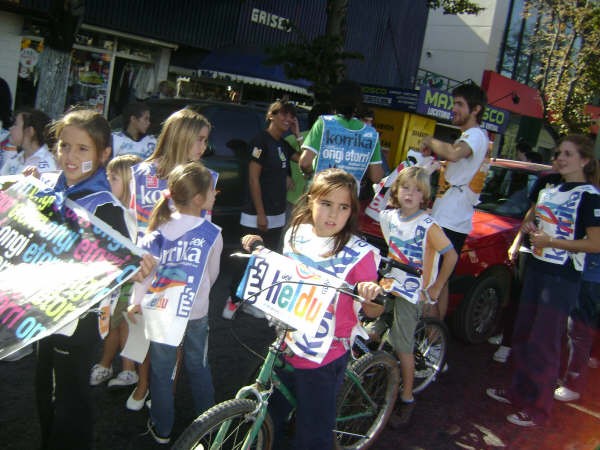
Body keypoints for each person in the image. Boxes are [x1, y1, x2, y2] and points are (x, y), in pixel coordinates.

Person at [34, 109, 154, 449]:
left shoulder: (104, 207)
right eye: (63, 146)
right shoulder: (52, 191)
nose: (69, 156)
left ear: (104, 155)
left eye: (82, 149)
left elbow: (122, 264)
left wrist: (136, 264)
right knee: (46, 390)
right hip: (44, 311)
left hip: (77, 321)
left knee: (70, 401)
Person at [241, 168, 384, 450]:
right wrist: (258, 250)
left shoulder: (359, 255)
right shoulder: (296, 234)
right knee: (272, 410)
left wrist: (370, 295)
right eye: (326, 204)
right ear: (310, 202)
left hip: (325, 354)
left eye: (343, 207)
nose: (333, 215)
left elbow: (374, 312)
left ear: (351, 211)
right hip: (288, 341)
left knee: (313, 433)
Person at [486, 134, 600, 427]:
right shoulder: (549, 184)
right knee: (523, 333)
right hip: (536, 266)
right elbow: (534, 213)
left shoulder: (589, 195)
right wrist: (527, 227)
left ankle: (537, 408)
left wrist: (553, 242)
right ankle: (517, 392)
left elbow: (595, 243)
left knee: (545, 342)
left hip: (562, 276)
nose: (560, 158)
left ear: (584, 160)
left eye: (568, 154)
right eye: (558, 152)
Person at [127, 107, 214, 411]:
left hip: (179, 273)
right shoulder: (141, 172)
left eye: (206, 141)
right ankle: (142, 384)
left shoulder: (205, 178)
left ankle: (164, 395)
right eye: (199, 140)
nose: (204, 148)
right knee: (142, 331)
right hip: (146, 266)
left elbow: (203, 232)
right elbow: (134, 220)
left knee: (171, 337)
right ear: (181, 137)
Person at [128, 161, 221, 445]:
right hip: (196, 312)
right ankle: (211, 424)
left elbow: (143, 275)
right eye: (212, 190)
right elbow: (213, 274)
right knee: (198, 366)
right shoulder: (212, 232)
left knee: (162, 371)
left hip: (161, 313)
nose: (216, 194)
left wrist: (135, 302)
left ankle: (162, 427)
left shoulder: (157, 231)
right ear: (198, 199)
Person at [368, 166, 457, 426]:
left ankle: (406, 396)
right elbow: (376, 207)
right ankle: (376, 367)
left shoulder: (428, 225)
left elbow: (451, 255)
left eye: (417, 190)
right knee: (372, 325)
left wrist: (437, 287)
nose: (410, 193)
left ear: (424, 197)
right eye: (405, 187)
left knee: (402, 344)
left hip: (412, 290)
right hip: (390, 283)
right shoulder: (390, 217)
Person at [223, 100, 299, 319]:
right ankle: (232, 300)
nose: (287, 120)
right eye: (283, 115)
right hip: (257, 214)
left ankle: (251, 300)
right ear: (271, 115)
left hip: (277, 213)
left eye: (291, 117)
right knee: (245, 258)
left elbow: (305, 162)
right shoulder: (260, 141)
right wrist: (260, 213)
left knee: (266, 261)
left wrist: (297, 134)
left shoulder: (283, 144)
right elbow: (253, 179)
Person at [420, 81, 490, 320]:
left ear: (476, 110)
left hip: (450, 221)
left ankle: (431, 338)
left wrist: (429, 140)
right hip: (448, 218)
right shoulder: (474, 137)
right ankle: (434, 342)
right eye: (454, 103)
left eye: (459, 104)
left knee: (432, 281)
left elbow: (453, 153)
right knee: (440, 282)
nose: (454, 109)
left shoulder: (476, 135)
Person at [89, 155, 142, 391]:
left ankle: (127, 369)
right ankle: (109, 364)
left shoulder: (133, 215)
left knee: (121, 323)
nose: (107, 181)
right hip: (112, 279)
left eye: (113, 178)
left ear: (130, 182)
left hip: (128, 281)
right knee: (111, 322)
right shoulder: (111, 208)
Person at [299, 80, 384, 188]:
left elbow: (305, 163)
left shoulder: (324, 123)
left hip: (322, 192)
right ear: (358, 104)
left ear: (333, 102)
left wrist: (311, 175)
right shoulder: (371, 134)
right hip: (349, 199)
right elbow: (376, 177)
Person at [554, 251, 600, 402]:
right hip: (581, 269)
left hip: (592, 273)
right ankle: (565, 377)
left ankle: (573, 384)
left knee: (579, 328)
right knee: (572, 326)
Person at [1, 108, 56, 176]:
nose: (10, 128)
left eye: (15, 124)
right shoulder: (15, 159)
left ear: (30, 131)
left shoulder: (48, 161)